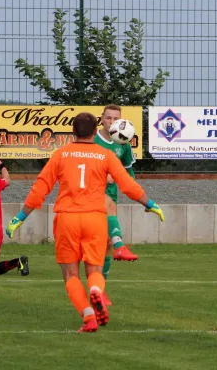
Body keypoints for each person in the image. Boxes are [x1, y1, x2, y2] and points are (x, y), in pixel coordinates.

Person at [5, 112, 164, 333]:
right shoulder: (105, 155)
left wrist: (19, 217)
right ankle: (97, 290)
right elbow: (127, 184)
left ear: (73, 132)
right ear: (94, 132)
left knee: (71, 275)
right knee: (94, 270)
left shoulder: (61, 154)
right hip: (95, 218)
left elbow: (41, 187)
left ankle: (88, 316)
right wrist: (150, 203)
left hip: (67, 219)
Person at [94, 104, 138, 305]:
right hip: (91, 195)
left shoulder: (123, 142)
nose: (112, 122)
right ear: (101, 119)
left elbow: (128, 172)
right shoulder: (92, 141)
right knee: (99, 243)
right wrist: (104, 175)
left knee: (106, 244)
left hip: (111, 196)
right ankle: (121, 245)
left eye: (116, 119)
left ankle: (100, 290)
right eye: (108, 118)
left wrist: (139, 195)